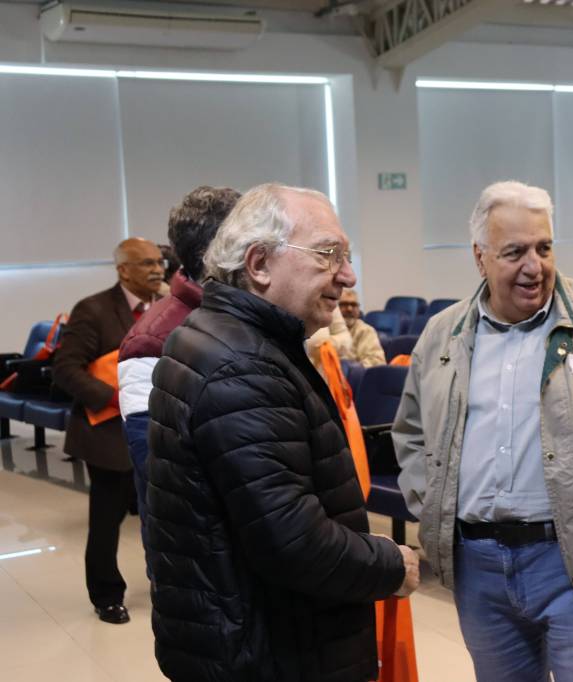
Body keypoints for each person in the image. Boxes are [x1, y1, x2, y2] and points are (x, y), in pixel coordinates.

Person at [393, 181, 573, 682]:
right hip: (478, 566)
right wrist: (436, 512)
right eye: (515, 252)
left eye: (544, 248)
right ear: (480, 257)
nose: (535, 266)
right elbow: (412, 435)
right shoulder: (443, 334)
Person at [147, 183, 419, 682]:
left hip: (241, 636)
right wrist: (389, 564)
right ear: (259, 264)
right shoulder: (244, 366)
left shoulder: (214, 335)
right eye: (328, 254)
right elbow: (293, 540)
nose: (348, 275)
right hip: (270, 652)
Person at [117, 186, 240, 563]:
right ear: (221, 250)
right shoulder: (150, 341)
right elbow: (160, 469)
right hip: (202, 554)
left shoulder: (246, 315)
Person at [52, 237, 165, 625]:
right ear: (123, 270)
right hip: (109, 433)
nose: (157, 269)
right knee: (106, 520)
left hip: (157, 432)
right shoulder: (94, 309)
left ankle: (166, 584)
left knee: (161, 516)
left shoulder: (166, 309)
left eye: (160, 262)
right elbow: (66, 368)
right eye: (147, 263)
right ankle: (106, 595)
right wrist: (116, 398)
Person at [337, 288, 387, 367]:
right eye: (344, 304)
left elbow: (377, 361)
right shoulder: (325, 329)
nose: (349, 309)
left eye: (354, 305)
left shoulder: (366, 331)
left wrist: (351, 368)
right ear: (335, 308)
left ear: (358, 309)